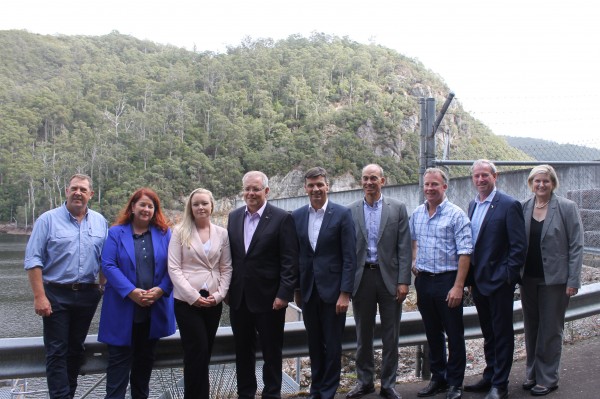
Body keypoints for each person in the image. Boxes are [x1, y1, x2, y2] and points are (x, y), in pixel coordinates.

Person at [24, 173, 108, 399]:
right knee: (57, 351)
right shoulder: (47, 220)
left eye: (83, 189)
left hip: (88, 295)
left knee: (75, 350)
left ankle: (67, 394)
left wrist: (101, 286)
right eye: (74, 189)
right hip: (55, 294)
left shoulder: (100, 222)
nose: (78, 193)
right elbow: (33, 260)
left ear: (90, 194)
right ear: (67, 192)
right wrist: (39, 296)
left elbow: (105, 259)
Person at [227, 171, 299, 399]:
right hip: (240, 298)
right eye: (247, 189)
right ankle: (246, 394)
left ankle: (271, 393)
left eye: (256, 189)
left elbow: (289, 260)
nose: (251, 193)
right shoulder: (234, 216)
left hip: (270, 299)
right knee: (243, 351)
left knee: (271, 352)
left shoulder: (281, 218)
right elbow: (232, 258)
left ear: (266, 191)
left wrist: (284, 294)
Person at [98, 187, 176, 399]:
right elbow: (108, 265)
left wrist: (161, 290)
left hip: (152, 313)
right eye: (142, 204)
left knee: (142, 375)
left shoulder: (164, 233)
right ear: (132, 207)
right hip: (122, 312)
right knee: (117, 377)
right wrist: (131, 291)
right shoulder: (116, 232)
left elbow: (174, 267)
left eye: (151, 206)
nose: (146, 209)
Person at [346, 164, 411, 399]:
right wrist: (346, 284)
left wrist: (404, 281)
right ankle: (364, 382)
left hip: (390, 280)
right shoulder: (350, 210)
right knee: (363, 334)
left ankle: (388, 384)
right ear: (361, 181)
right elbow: (347, 251)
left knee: (390, 334)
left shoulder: (398, 209)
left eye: (373, 178)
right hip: (362, 278)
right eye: (365, 178)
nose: (369, 182)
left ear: (383, 181)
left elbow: (404, 248)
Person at [292, 167, 357, 399]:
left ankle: (328, 391)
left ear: (327, 186)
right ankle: (316, 389)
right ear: (305, 188)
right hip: (309, 291)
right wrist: (297, 289)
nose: (316, 189)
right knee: (315, 344)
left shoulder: (342, 214)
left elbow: (350, 257)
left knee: (332, 344)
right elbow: (297, 255)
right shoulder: (297, 216)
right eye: (311, 185)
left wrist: (345, 293)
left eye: (320, 184)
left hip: (333, 292)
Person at [465, 160, 527, 399]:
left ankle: (500, 385)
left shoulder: (509, 205)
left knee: (502, 333)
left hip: (499, 282)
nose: (480, 180)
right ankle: (490, 375)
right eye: (476, 176)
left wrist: (507, 277)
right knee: (488, 333)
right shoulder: (473, 204)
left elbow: (518, 247)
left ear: (495, 176)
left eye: (485, 176)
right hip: (479, 282)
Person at [520, 165, 583, 396]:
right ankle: (533, 374)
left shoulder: (567, 207)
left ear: (553, 183)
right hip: (528, 279)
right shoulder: (524, 207)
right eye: (537, 181)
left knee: (551, 330)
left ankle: (548, 378)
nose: (541, 185)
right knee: (532, 329)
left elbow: (576, 245)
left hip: (554, 280)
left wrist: (573, 279)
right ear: (531, 183)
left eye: (546, 181)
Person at [410, 168, 473, 399]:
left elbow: (465, 253)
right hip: (424, 281)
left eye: (434, 184)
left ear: (444, 187)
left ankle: (455, 383)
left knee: (454, 335)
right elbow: (413, 240)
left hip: (448, 281)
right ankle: (439, 378)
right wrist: (415, 259)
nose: (429, 188)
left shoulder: (456, 215)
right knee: (432, 333)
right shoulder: (417, 213)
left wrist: (458, 286)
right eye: (426, 184)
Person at [168, 188, 232, 399]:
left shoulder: (222, 233)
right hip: (187, 302)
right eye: (196, 204)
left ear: (212, 206)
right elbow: (174, 268)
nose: (200, 207)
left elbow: (226, 268)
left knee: (204, 354)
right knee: (197, 351)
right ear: (191, 207)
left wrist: (220, 294)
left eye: (204, 203)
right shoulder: (179, 231)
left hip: (213, 301)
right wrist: (192, 296)